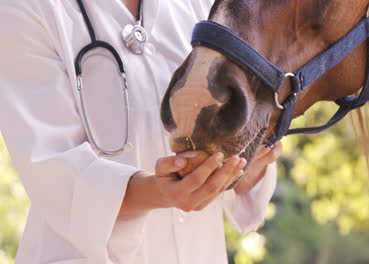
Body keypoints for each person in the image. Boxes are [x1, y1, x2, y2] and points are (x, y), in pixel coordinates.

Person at [0, 0, 281, 263]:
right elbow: (51, 167)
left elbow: (230, 123)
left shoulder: (198, 4)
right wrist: (159, 192)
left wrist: (247, 163)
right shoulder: (25, 9)